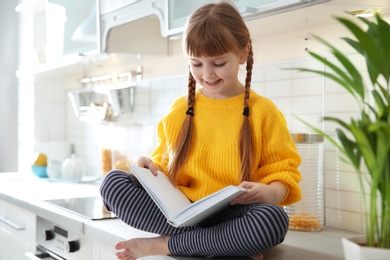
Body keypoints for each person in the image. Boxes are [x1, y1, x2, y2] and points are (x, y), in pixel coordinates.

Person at [100, 1, 302, 259]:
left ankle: (166, 245)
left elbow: (284, 173)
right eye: (196, 64)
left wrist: (271, 192)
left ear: (243, 53)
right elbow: (164, 168)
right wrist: (147, 169)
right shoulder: (180, 109)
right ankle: (222, 242)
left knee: (271, 219)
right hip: (181, 213)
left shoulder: (264, 111)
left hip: (235, 213)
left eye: (218, 63)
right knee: (113, 182)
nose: (207, 74)